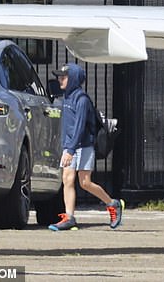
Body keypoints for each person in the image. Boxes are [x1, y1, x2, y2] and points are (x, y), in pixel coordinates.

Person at [49, 63, 124, 231]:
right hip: (70, 146)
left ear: (74, 79)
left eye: (64, 76)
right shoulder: (66, 97)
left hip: (83, 146)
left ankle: (112, 204)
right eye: (59, 76)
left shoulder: (81, 99)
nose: (60, 79)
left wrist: (70, 150)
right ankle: (69, 217)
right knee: (67, 179)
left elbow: (80, 127)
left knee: (85, 182)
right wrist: (66, 147)